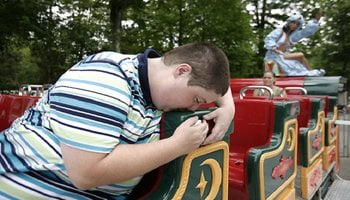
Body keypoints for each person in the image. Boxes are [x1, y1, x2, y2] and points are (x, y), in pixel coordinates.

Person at [0, 42, 235, 199]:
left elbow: (207, 64)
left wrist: (228, 107)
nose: (192, 108)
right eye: (196, 99)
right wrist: (177, 145)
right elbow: (86, 174)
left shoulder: (158, 85)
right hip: (23, 186)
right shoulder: (106, 79)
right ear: (181, 71)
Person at [264, 11, 325, 76]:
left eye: (297, 24)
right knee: (300, 55)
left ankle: (310, 72)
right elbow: (269, 39)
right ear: (289, 22)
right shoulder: (279, 31)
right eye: (293, 22)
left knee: (300, 56)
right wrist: (273, 48)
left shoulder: (292, 36)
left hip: (283, 55)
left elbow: (304, 33)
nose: (294, 25)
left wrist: (315, 22)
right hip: (272, 56)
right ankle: (310, 72)